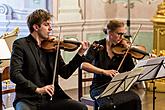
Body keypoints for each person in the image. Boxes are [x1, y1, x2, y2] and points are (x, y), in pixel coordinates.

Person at [10, 9, 89, 110]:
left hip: (51, 99)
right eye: (46, 25)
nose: (50, 28)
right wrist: (37, 89)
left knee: (81, 108)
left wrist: (80, 53)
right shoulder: (21, 45)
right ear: (36, 27)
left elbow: (65, 73)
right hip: (27, 99)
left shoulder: (52, 47)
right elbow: (15, 74)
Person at [81, 20, 142, 110]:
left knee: (135, 98)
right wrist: (103, 71)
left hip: (118, 87)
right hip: (99, 87)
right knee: (108, 105)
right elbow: (83, 65)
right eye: (119, 34)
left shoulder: (124, 49)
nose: (122, 37)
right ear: (109, 32)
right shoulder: (97, 45)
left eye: (123, 34)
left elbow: (131, 70)